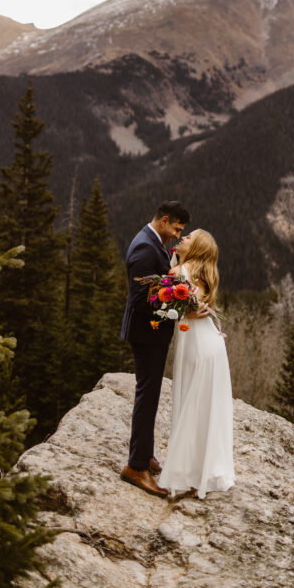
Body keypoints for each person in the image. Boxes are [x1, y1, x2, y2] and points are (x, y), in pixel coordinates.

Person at [120, 200, 193, 497]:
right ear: (164, 221)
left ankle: (145, 454)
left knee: (150, 396)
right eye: (176, 228)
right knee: (146, 397)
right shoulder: (144, 248)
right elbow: (141, 301)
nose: (178, 234)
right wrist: (177, 304)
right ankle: (135, 467)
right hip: (146, 335)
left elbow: (157, 285)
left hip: (154, 335)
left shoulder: (155, 242)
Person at [157, 228, 235, 499]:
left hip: (197, 345)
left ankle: (186, 470)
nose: (182, 238)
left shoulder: (178, 273)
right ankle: (204, 468)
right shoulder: (202, 274)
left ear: (196, 248)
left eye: (188, 237)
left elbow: (165, 309)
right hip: (210, 344)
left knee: (191, 402)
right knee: (206, 406)